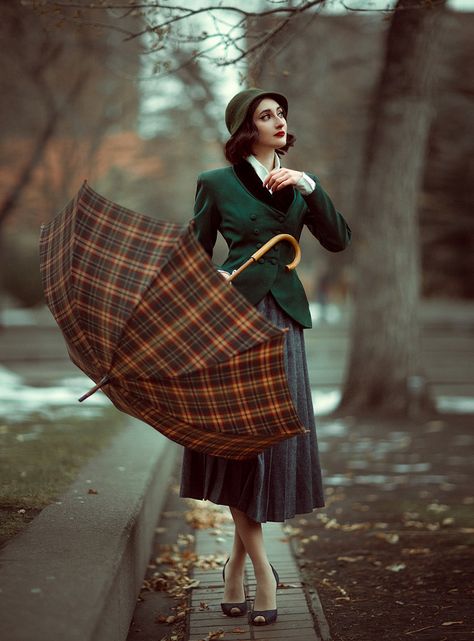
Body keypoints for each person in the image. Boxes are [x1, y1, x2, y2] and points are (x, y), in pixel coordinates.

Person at [179, 87, 352, 626]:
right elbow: (190, 254)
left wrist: (310, 186)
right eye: (265, 116)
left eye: (281, 114)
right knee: (241, 445)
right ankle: (262, 571)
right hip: (235, 323)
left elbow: (339, 240)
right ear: (245, 130)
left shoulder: (300, 185)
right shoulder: (216, 183)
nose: (278, 121)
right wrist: (214, 277)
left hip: (286, 325)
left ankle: (234, 568)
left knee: (272, 446)